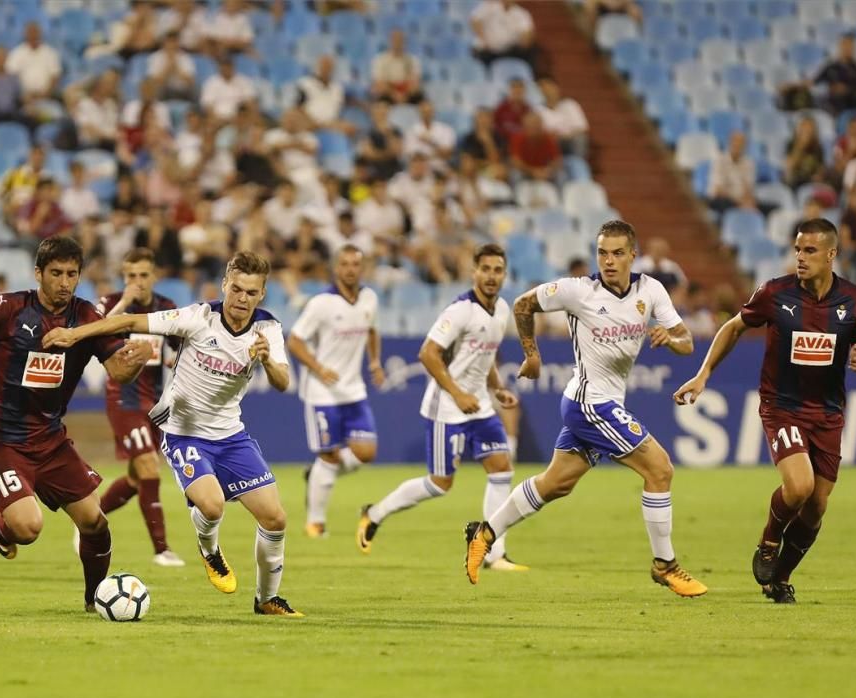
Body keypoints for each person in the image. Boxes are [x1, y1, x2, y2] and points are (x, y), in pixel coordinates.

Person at [42, 251, 304, 617]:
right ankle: (209, 548)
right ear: (225, 286)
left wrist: (267, 361)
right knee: (211, 505)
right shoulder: (198, 317)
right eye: (237, 290)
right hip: (185, 434)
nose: (241, 299)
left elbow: (283, 382)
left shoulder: (268, 329)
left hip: (232, 436)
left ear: (261, 295)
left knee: (276, 518)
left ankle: (267, 600)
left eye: (251, 293)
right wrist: (74, 334)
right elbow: (130, 319)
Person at [464, 221, 707, 597]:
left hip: (602, 402)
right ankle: (665, 565)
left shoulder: (651, 290)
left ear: (632, 255)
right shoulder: (579, 291)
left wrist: (671, 339)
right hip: (590, 403)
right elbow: (523, 304)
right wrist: (532, 354)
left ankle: (485, 533)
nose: (608, 261)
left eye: (617, 253)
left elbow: (687, 341)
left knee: (555, 483)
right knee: (660, 469)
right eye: (602, 253)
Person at [0, 237, 153, 612]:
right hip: (0, 439)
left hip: (50, 440)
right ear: (38, 273)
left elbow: (118, 370)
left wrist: (139, 357)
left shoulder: (86, 318)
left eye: (72, 274)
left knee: (94, 521)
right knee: (28, 528)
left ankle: (93, 601)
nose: (64, 282)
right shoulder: (8, 307)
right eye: (56, 273)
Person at [674, 219, 856, 604]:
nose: (800, 257)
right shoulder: (774, 293)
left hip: (829, 412)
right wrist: (703, 375)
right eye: (797, 249)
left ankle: (778, 578)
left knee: (816, 506)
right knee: (798, 487)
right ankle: (769, 540)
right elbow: (733, 328)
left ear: (831, 254)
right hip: (782, 406)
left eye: (810, 251)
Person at [358, 244, 526, 573]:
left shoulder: (502, 309)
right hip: (446, 407)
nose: (491, 276)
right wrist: (459, 393)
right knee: (439, 484)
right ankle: (374, 513)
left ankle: (494, 553)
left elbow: (486, 354)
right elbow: (428, 354)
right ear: (473, 272)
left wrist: (497, 388)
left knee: (502, 469)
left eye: (497, 270)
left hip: (478, 406)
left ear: (505, 275)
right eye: (486, 269)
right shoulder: (460, 310)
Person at [88, 249, 185, 567]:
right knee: (148, 467)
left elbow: (180, 347)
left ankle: (88, 522)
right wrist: (125, 304)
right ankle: (162, 550)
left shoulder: (166, 309)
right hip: (123, 400)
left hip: (154, 404)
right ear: (123, 277)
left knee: (134, 479)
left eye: (144, 275)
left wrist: (175, 359)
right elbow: (95, 331)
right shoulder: (110, 303)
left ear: (154, 276)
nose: (138, 282)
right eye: (131, 276)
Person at [286, 245, 384, 538]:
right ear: (336, 268)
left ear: (362, 268)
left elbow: (372, 329)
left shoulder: (369, 298)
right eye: (345, 264)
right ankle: (315, 523)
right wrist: (318, 367)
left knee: (366, 452)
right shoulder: (321, 303)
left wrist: (376, 361)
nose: (351, 269)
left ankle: (316, 474)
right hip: (322, 392)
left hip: (353, 389)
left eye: (356, 263)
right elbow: (295, 340)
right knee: (329, 457)